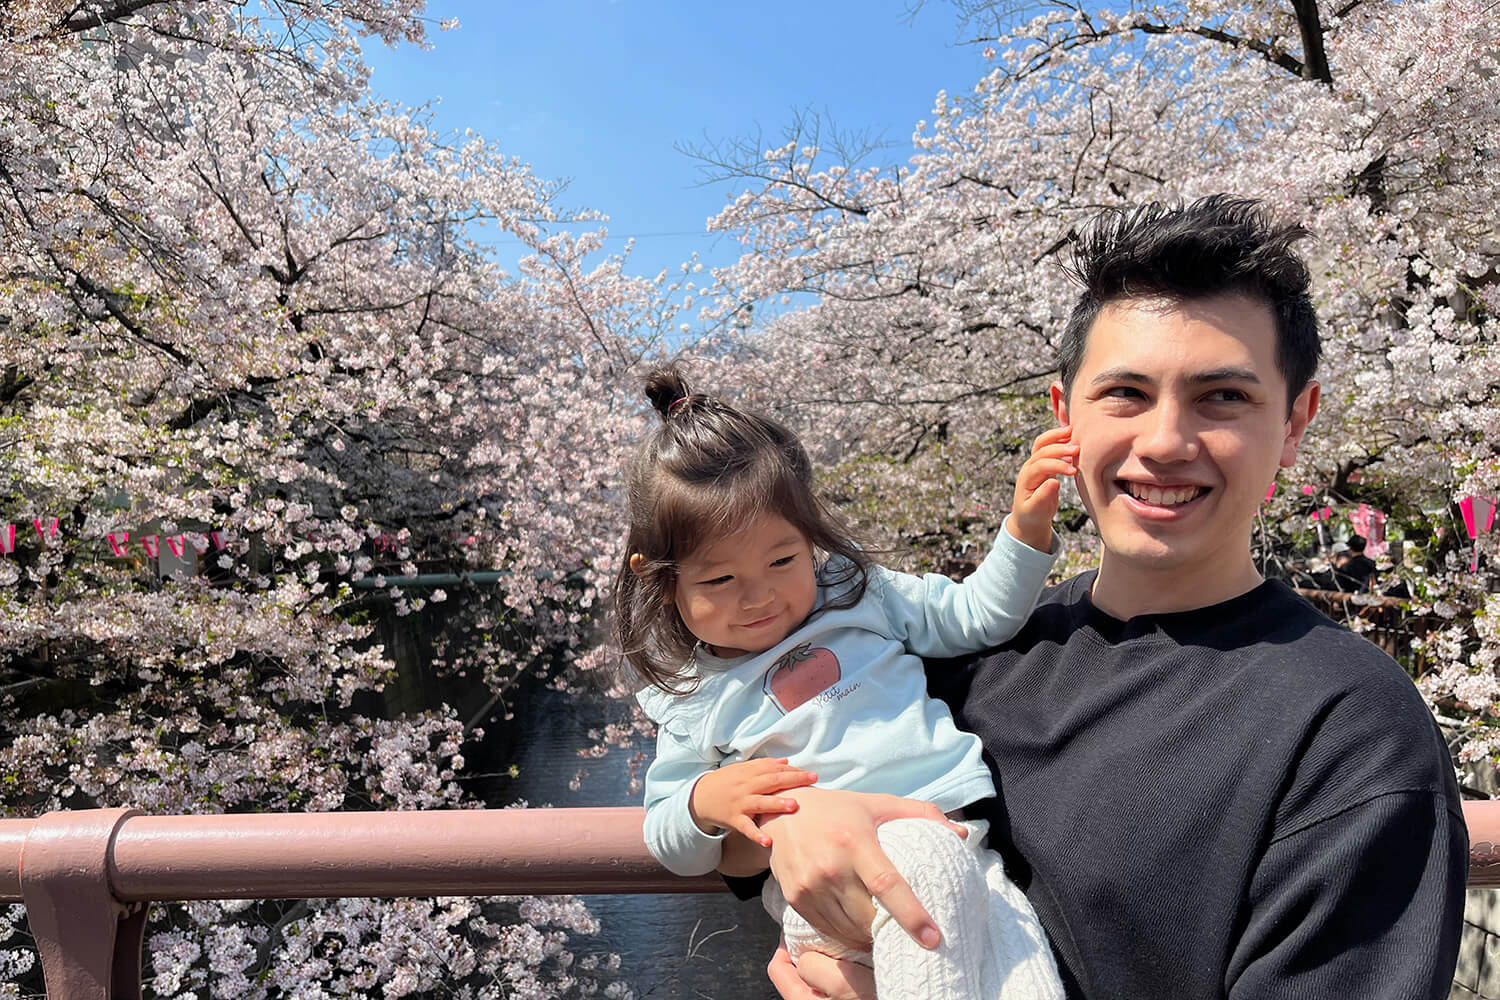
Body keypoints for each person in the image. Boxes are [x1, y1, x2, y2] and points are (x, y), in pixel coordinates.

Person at [744, 195, 1468, 999]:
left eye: (1223, 397)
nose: (1163, 442)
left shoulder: (1352, 729)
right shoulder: (961, 656)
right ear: (1064, 417)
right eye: (1125, 393)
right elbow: (736, 789)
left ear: (1296, 421)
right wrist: (796, 824)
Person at [615, 366, 1078, 997]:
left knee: (1029, 979)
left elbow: (975, 617)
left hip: (965, 849)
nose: (759, 596)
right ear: (662, 581)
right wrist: (705, 803)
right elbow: (668, 835)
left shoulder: (864, 597)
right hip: (833, 891)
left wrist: (1024, 532)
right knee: (930, 877)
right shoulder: (694, 695)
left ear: (812, 541)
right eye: (719, 581)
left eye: (783, 560)